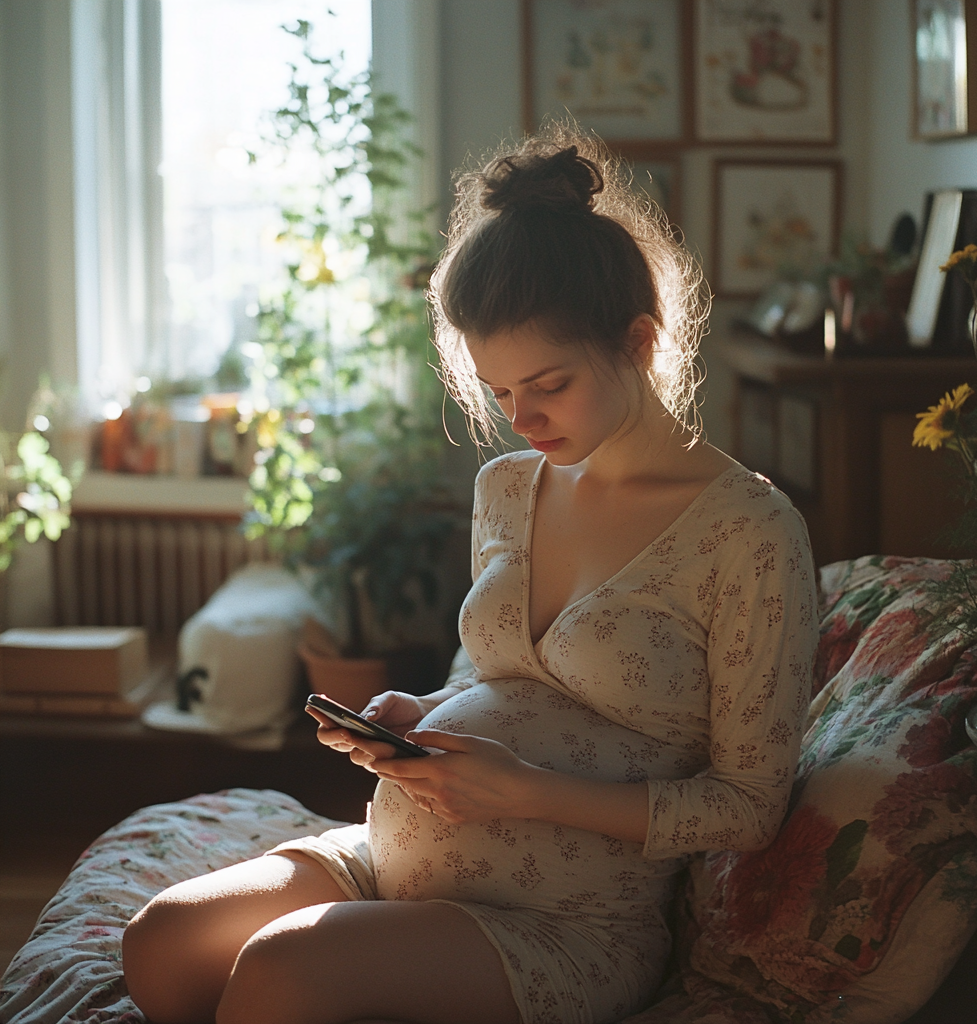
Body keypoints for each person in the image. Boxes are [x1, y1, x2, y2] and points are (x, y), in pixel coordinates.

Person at [122, 125, 819, 1024]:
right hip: (393, 859)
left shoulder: (750, 529)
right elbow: (488, 676)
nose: (520, 417)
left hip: (567, 922)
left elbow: (749, 806)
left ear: (641, 342)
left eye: (548, 384)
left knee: (282, 977)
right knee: (160, 948)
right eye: (497, 391)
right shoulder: (507, 490)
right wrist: (420, 719)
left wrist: (525, 791)